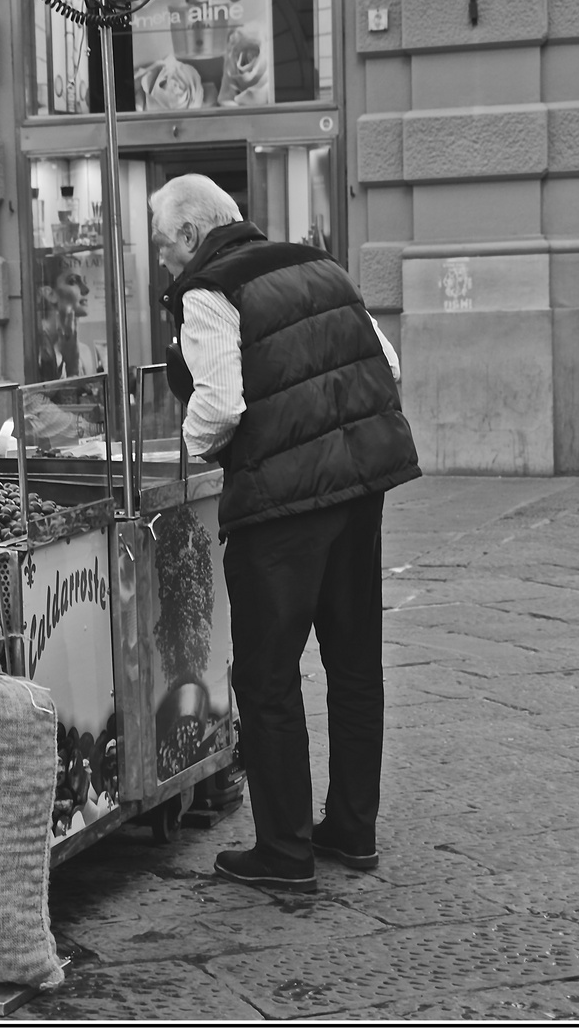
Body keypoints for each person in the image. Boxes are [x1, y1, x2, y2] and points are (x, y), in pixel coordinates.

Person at [149, 174, 420, 894]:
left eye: (161, 246)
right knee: (354, 662)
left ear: (186, 236)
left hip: (281, 508)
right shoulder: (320, 266)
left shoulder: (207, 291)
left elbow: (219, 405)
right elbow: (386, 367)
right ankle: (351, 830)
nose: (161, 263)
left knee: (267, 677)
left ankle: (284, 850)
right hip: (358, 491)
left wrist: (199, 447)